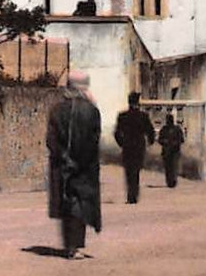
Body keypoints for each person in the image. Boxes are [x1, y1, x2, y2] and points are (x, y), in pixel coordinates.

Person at [46, 70, 102, 259]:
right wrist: (82, 162)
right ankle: (75, 246)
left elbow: (51, 140)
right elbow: (94, 140)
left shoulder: (56, 110)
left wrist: (63, 158)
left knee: (66, 204)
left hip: (62, 165)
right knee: (80, 204)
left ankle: (69, 245)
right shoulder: (92, 110)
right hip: (84, 167)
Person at [113, 92, 155, 204]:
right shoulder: (143, 116)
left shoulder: (123, 116)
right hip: (139, 147)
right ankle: (134, 194)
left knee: (128, 171)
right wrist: (150, 142)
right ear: (138, 102)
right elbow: (150, 131)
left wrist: (121, 143)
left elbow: (117, 133)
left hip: (127, 146)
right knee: (136, 171)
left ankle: (130, 194)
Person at [158, 114, 185, 188]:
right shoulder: (164, 129)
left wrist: (175, 143)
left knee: (174, 166)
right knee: (168, 167)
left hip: (175, 151)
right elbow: (160, 140)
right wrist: (165, 142)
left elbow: (182, 140)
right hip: (166, 151)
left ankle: (173, 180)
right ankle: (169, 181)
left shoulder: (177, 129)